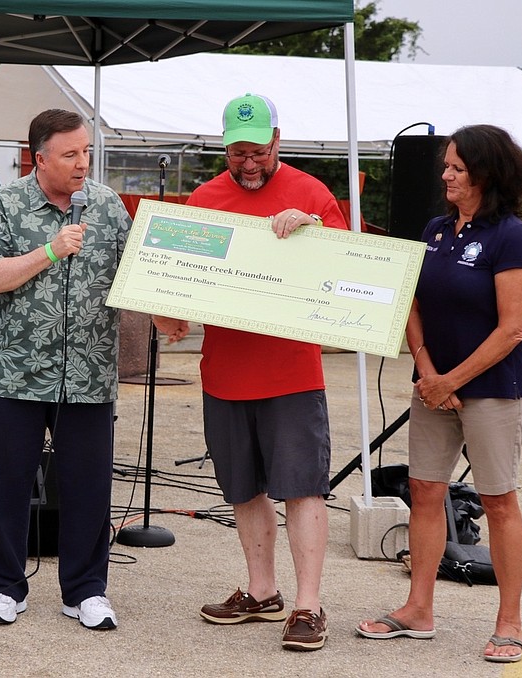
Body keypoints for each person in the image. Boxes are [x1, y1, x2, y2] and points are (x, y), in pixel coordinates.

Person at [153, 93, 347, 652]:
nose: (249, 163)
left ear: (277, 142)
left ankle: (309, 606)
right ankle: (262, 593)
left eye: (259, 151)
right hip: (225, 374)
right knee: (242, 489)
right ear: (225, 148)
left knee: (303, 489)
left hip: (292, 373)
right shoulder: (205, 199)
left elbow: (345, 274)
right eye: (238, 153)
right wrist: (166, 310)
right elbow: (177, 292)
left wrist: (314, 230)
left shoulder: (312, 194)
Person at [357, 124, 522, 664]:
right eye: (446, 166)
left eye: (456, 167)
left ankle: (509, 621)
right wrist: (428, 373)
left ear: (485, 173)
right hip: (433, 386)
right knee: (426, 492)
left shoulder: (511, 236)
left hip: (490, 393)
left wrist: (451, 381)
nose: (445, 175)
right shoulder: (436, 229)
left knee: (498, 501)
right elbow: (411, 302)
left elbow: (512, 330)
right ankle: (419, 609)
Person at [0, 109, 131, 630]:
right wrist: (50, 249)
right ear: (38, 158)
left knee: (88, 487)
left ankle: (86, 591)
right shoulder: (4, 203)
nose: (83, 163)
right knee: (6, 484)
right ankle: (4, 588)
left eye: (86, 151)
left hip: (88, 376)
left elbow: (137, 272)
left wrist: (169, 311)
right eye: (70, 155)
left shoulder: (107, 206)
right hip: (12, 374)